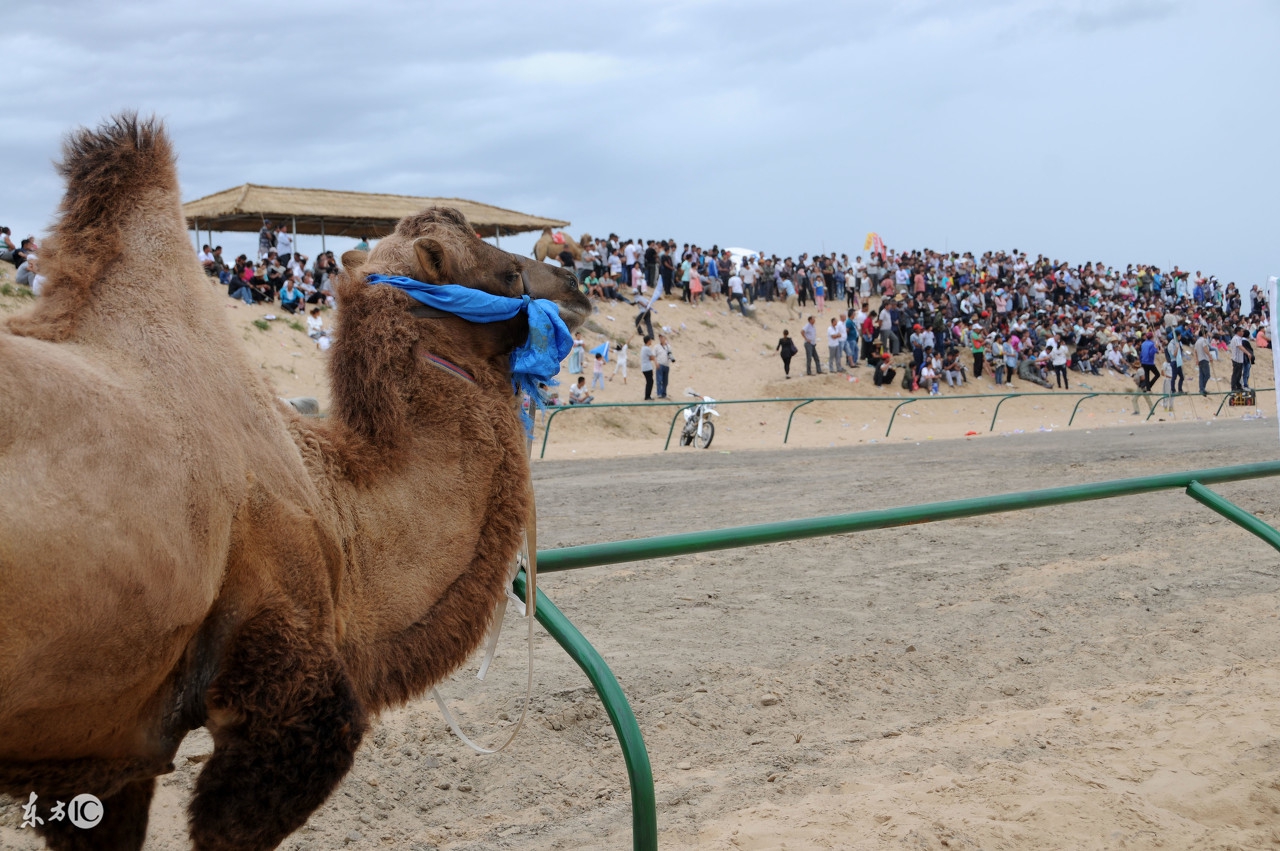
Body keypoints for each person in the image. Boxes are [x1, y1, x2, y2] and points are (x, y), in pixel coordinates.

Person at [655, 333, 673, 399]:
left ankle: (664, 393)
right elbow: (654, 356)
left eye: (662, 337)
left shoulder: (668, 347)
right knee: (659, 379)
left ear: (665, 338)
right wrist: (656, 363)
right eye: (660, 337)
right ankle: (659, 393)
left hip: (666, 365)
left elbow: (670, 354)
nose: (661, 339)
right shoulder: (657, 346)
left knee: (665, 381)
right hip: (660, 364)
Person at [1228, 327, 1245, 392]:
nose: (1242, 332)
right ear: (1238, 332)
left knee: (1239, 373)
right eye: (1241, 331)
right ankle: (1234, 386)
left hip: (1240, 359)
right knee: (1236, 373)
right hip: (1236, 359)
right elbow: (1240, 346)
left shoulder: (1239, 338)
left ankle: (1238, 385)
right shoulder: (1236, 338)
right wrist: (1247, 352)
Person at [640, 336, 656, 401]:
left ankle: (647, 395)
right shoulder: (647, 349)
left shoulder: (643, 348)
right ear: (648, 341)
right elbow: (652, 357)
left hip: (644, 367)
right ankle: (647, 396)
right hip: (647, 367)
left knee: (649, 381)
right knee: (650, 382)